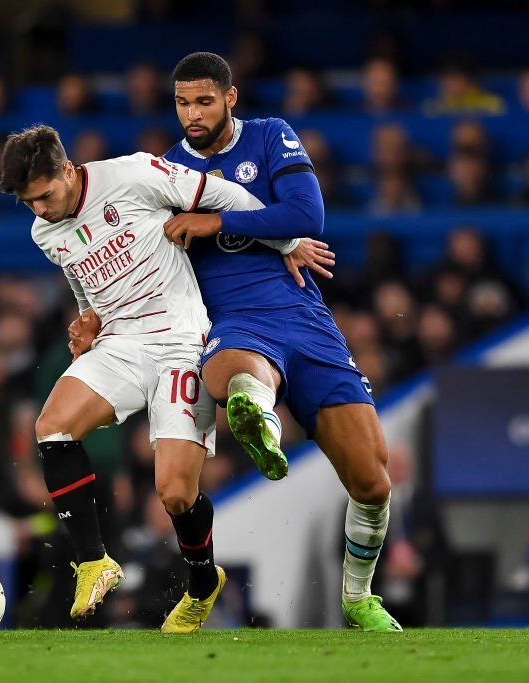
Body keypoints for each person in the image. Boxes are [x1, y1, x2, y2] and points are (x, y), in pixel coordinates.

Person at [0, 124, 323, 632]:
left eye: (43, 195)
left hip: (180, 344)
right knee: (52, 427)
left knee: (173, 492)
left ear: (67, 170)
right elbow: (82, 276)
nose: (38, 210)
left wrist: (287, 241)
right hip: (121, 344)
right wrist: (89, 318)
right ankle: (93, 561)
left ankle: (201, 582)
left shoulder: (135, 173)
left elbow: (230, 194)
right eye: (27, 202)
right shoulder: (45, 230)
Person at [157, 52, 400, 631]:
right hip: (233, 319)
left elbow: (306, 214)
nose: (192, 114)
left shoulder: (270, 137)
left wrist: (221, 224)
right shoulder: (164, 171)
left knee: (372, 479)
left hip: (303, 316)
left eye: (204, 101)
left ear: (230, 98)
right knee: (237, 374)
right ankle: (256, 414)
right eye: (182, 103)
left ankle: (359, 596)